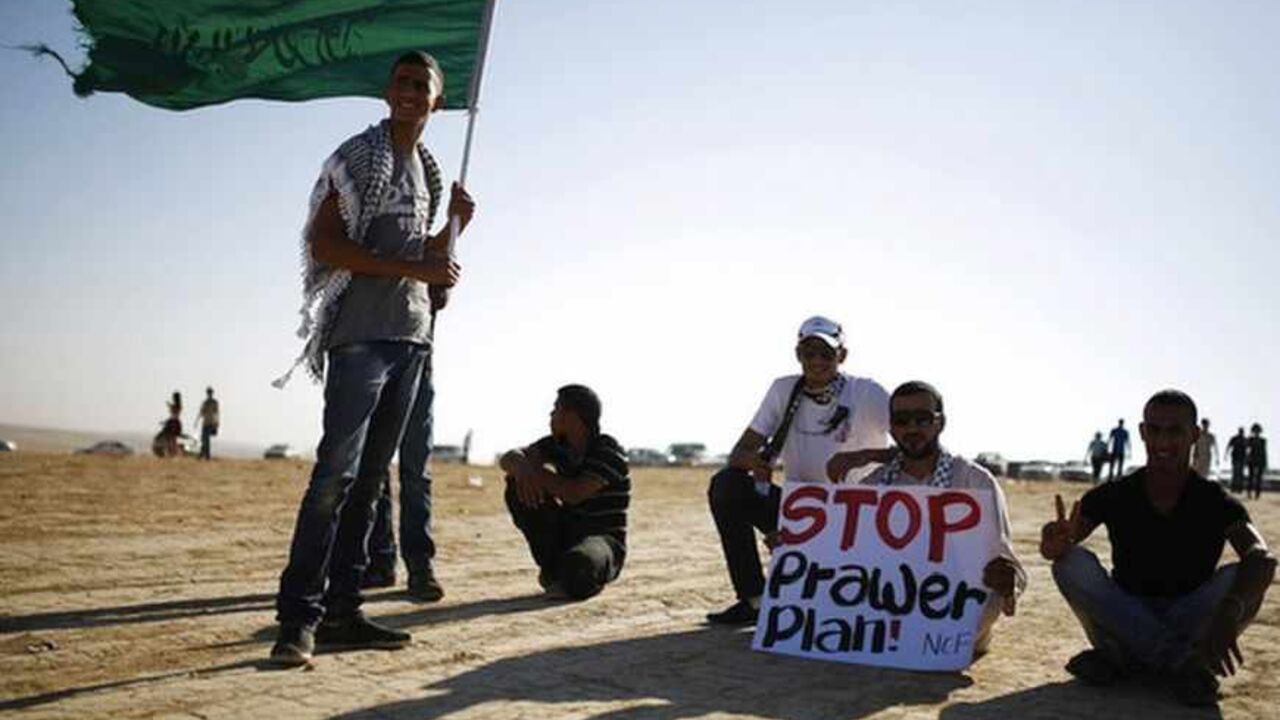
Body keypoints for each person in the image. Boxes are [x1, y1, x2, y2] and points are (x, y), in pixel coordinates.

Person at [269, 50, 475, 667]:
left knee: (369, 486)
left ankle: (344, 612)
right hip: (359, 337)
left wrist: (456, 232)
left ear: (439, 101)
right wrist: (418, 265)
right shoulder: (358, 155)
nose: (411, 93)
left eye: (424, 86)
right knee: (334, 478)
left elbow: (421, 259)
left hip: (411, 338)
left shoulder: (431, 172)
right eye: (403, 83)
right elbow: (326, 243)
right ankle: (296, 621)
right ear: (388, 92)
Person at [1042, 390, 1276, 707]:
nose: (1163, 442)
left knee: (1244, 575)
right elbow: (1062, 544)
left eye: (1175, 431)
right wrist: (1053, 541)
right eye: (1154, 430)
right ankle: (1179, 662)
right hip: (1125, 612)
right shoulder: (1116, 493)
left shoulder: (1214, 500)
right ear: (1142, 432)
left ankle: (1125, 660)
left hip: (1188, 616)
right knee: (1070, 563)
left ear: (1195, 435)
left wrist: (1229, 611)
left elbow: (1262, 557)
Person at [705, 316, 890, 625]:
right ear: (797, 355)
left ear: (842, 356)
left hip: (856, 520)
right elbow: (739, 453)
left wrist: (861, 456)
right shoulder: (784, 390)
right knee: (727, 485)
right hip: (801, 513)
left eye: (826, 354)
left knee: (835, 609)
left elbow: (916, 449)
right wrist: (759, 464)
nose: (817, 361)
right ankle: (754, 599)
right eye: (809, 353)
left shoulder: (867, 393)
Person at [827, 381, 1026, 655]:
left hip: (950, 604)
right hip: (890, 599)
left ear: (940, 423)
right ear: (891, 427)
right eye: (901, 420)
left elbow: (1009, 565)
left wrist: (1007, 580)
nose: (911, 429)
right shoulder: (872, 487)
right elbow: (843, 555)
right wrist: (794, 546)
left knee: (983, 599)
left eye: (922, 419)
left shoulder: (973, 480)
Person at [499, 385, 630, 600]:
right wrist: (522, 466)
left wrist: (532, 471)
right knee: (516, 484)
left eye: (556, 409)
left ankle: (575, 576)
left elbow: (574, 493)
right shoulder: (556, 446)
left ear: (572, 416)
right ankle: (553, 569)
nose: (551, 415)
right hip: (568, 531)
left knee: (581, 564)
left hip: (602, 539)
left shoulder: (608, 451)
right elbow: (508, 459)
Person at [195, 387, 220, 461]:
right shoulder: (205, 402)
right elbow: (201, 412)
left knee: (206, 439)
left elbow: (216, 413)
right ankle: (203, 455)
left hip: (210, 422)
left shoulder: (214, 402)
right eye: (209, 392)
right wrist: (197, 420)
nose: (209, 394)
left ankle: (206, 456)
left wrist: (217, 422)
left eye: (210, 392)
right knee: (204, 439)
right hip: (206, 422)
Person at [1246, 424, 1267, 500]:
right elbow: (1247, 449)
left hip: (1260, 461)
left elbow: (1264, 452)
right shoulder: (1250, 439)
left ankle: (1257, 494)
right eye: (1255, 431)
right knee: (1250, 478)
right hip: (1251, 460)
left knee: (1259, 478)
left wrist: (1265, 462)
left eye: (1257, 431)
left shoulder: (1263, 440)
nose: (1256, 432)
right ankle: (1249, 493)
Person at [1225, 427, 1248, 495]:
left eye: (1242, 431)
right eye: (1241, 431)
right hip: (1235, 458)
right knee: (1235, 473)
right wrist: (1226, 454)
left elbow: (1247, 449)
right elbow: (1229, 446)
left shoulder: (1244, 439)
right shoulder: (1235, 438)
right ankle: (1234, 488)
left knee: (1239, 474)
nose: (1241, 433)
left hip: (1242, 459)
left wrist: (1247, 459)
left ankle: (1239, 489)